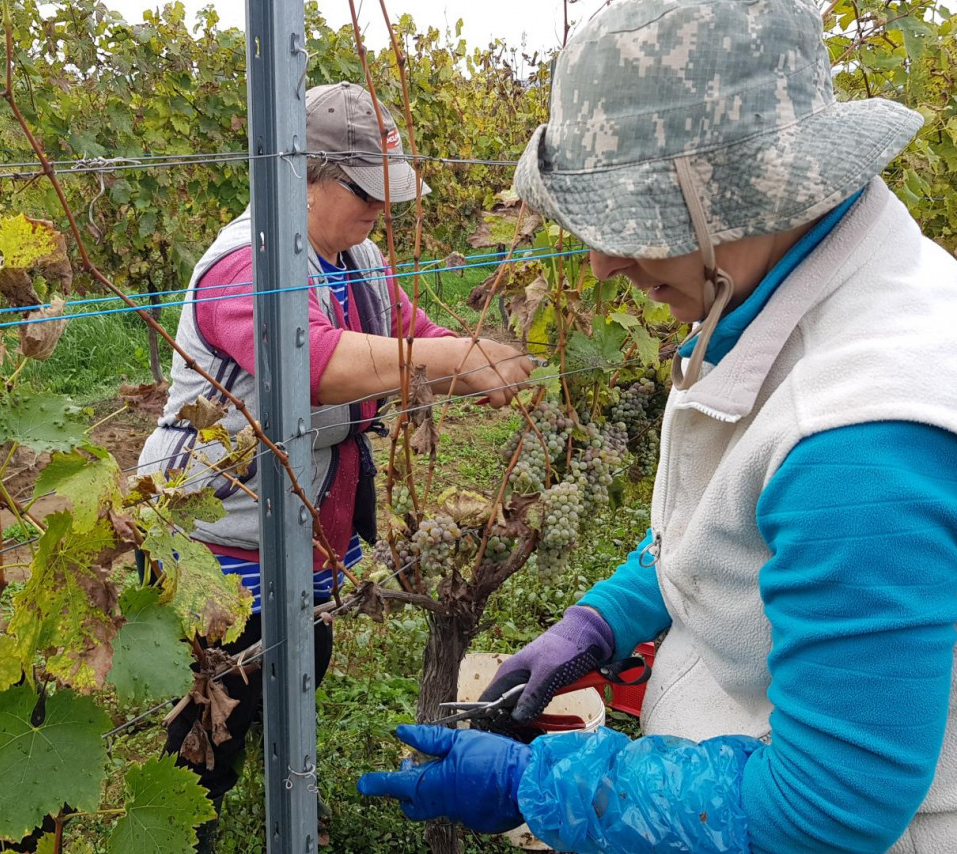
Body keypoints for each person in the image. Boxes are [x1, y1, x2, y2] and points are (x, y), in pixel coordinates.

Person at [357, 1, 957, 851]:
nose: (603, 263)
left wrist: (542, 784)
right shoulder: (780, 292)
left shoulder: (862, 443)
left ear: (728, 200)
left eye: (633, 226)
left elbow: (828, 810)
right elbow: (728, 519)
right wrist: (602, 619)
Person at [137, 80, 534, 849]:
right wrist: (447, 356)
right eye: (365, 191)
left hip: (304, 520)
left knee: (302, 657)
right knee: (219, 703)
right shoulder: (244, 261)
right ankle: (185, 824)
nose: (380, 209)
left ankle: (290, 792)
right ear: (302, 173)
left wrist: (473, 365)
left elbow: (406, 336)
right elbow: (311, 361)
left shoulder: (358, 256)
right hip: (221, 534)